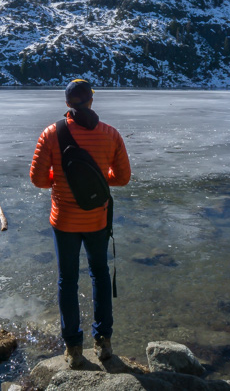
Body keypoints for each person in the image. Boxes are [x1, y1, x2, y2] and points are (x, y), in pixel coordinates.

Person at [30, 79, 131, 368]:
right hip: (97, 218)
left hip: (63, 221)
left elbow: (38, 180)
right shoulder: (110, 134)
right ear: (91, 101)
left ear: (67, 104)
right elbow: (122, 178)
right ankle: (104, 343)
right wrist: (97, 182)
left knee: (68, 281)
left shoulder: (51, 134)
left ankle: (74, 349)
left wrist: (62, 182)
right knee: (99, 275)